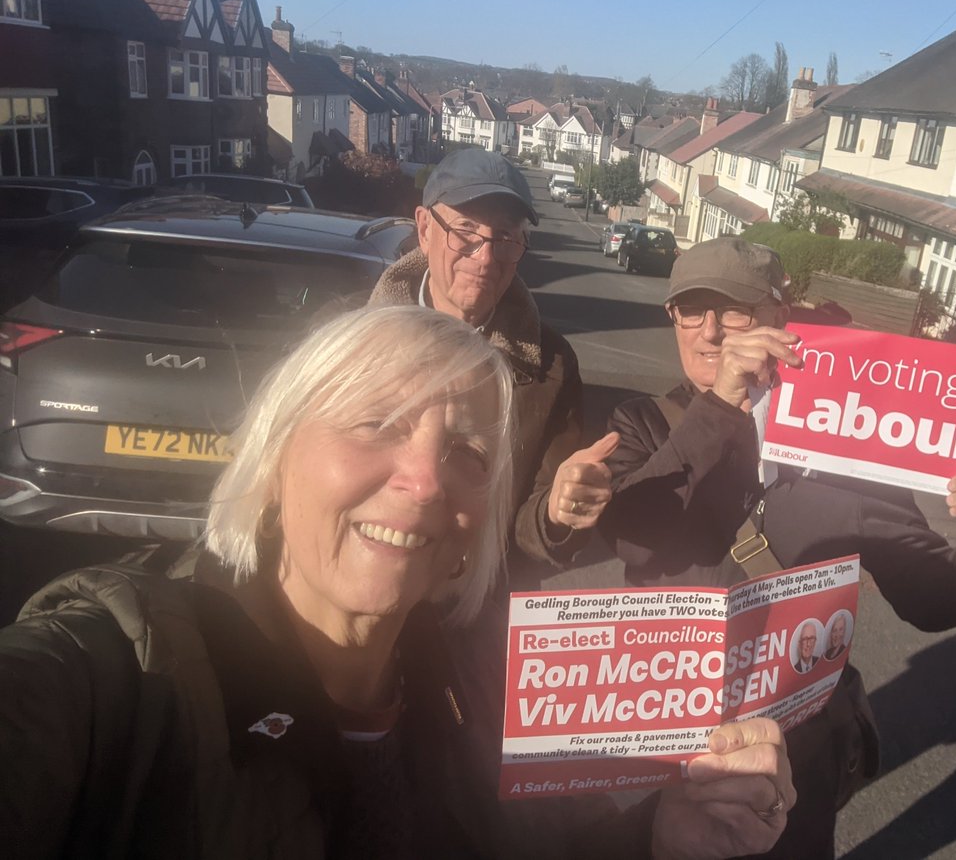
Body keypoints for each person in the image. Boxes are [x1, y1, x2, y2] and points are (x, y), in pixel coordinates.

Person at [0, 305, 795, 859]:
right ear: (275, 460)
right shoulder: (119, 673)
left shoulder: (486, 688)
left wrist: (659, 840)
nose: (424, 481)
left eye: (469, 454)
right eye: (375, 422)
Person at [598, 236, 956, 859]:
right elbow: (634, 537)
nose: (710, 332)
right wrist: (719, 404)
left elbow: (932, 596)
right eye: (690, 310)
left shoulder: (852, 437)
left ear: (782, 319)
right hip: (670, 724)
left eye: (735, 312)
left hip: (795, 742)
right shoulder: (644, 423)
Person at [368, 149, 614, 586]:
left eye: (505, 237)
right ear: (424, 228)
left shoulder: (551, 365)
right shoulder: (352, 347)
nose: (486, 257)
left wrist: (555, 514)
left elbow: (532, 516)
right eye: (465, 231)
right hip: (366, 583)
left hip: (475, 610)